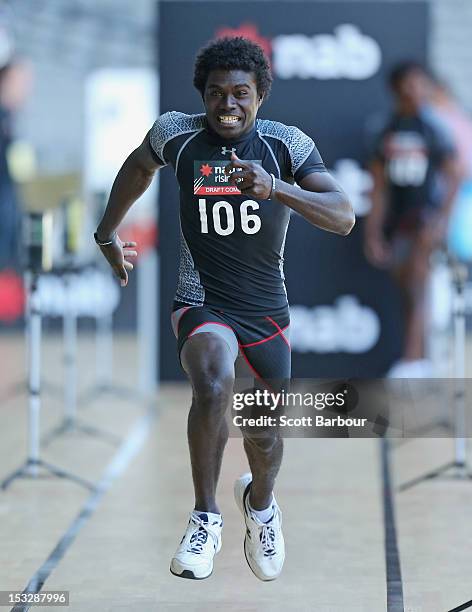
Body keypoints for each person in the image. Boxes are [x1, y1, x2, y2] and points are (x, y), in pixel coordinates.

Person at [95, 37, 354, 581]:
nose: (227, 106)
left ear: (260, 95)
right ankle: (204, 517)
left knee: (264, 434)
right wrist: (106, 233)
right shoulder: (177, 133)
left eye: (241, 94)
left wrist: (276, 188)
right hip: (201, 302)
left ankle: (260, 504)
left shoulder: (286, 145)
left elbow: (342, 215)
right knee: (212, 379)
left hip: (266, 314)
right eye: (216, 94)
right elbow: (137, 169)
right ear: (202, 96)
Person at [364, 61, 462, 377]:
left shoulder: (433, 130)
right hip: (398, 220)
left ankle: (413, 360)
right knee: (405, 284)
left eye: (420, 83)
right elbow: (377, 187)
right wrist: (373, 232)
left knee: (419, 282)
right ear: (396, 88)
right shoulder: (386, 130)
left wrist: (441, 220)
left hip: (424, 218)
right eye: (408, 83)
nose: (414, 90)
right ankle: (418, 357)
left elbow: (455, 174)